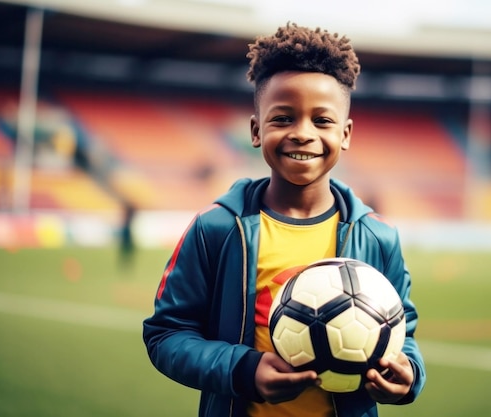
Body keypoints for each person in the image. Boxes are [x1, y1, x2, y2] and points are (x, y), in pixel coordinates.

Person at [143, 22, 426, 417]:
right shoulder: (217, 229)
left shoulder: (377, 236)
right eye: (283, 118)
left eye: (322, 121)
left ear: (345, 134)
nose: (302, 133)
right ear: (257, 130)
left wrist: (409, 374)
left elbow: (402, 334)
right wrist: (244, 369)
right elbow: (167, 334)